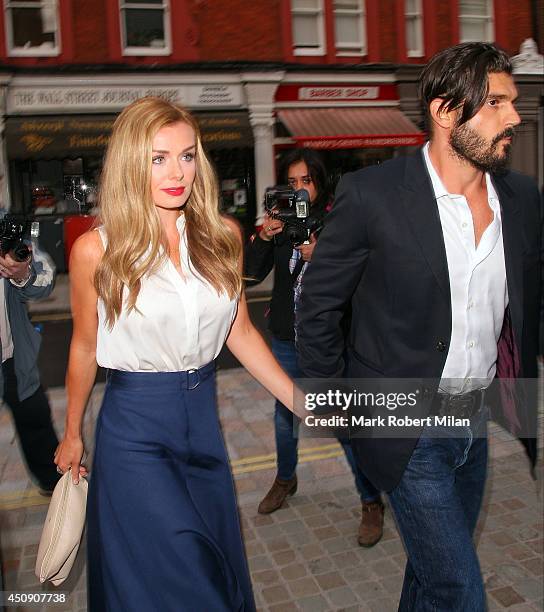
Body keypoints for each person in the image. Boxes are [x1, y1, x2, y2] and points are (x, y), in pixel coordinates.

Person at [297, 42, 541, 611]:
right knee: (459, 588)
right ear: (445, 110)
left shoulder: (522, 199)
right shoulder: (372, 195)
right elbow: (319, 309)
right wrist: (339, 411)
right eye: (498, 102)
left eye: (514, 102)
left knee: (430, 577)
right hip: (402, 420)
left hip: (473, 417)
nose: (515, 117)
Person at [54, 97, 296, 612]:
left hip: (203, 429)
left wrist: (302, 401)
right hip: (135, 435)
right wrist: (73, 432)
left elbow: (241, 334)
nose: (177, 172)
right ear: (130, 163)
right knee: (189, 584)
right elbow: (83, 345)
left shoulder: (222, 237)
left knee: (213, 569)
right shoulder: (97, 250)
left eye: (187, 156)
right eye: (158, 157)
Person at [245, 148, 384, 547]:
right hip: (287, 337)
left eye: (306, 181)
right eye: (291, 182)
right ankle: (286, 479)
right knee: (284, 416)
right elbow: (251, 276)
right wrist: (262, 235)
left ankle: (371, 500)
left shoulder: (339, 221)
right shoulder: (280, 222)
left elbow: (366, 271)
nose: (299, 189)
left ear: (319, 183)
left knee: (342, 424)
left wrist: (323, 255)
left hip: (329, 340)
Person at [0, 233, 59, 495]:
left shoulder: (7, 229)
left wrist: (21, 273)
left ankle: (54, 483)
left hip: (11, 358)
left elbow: (45, 278)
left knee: (34, 416)